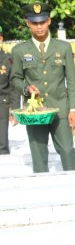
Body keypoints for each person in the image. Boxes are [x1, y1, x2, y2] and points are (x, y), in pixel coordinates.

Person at [10, 3, 75, 172]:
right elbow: (15, 78)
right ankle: (43, 190)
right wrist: (27, 88)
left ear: (49, 21)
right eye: (35, 23)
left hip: (60, 109)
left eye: (42, 22)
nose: (39, 26)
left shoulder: (63, 48)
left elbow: (71, 81)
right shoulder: (19, 50)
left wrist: (74, 109)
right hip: (35, 112)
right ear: (28, 23)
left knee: (67, 150)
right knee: (39, 154)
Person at [0, 26, 19, 155]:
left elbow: (13, 87)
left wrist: (15, 110)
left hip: (2, 104)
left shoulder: (8, 60)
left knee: (1, 147)